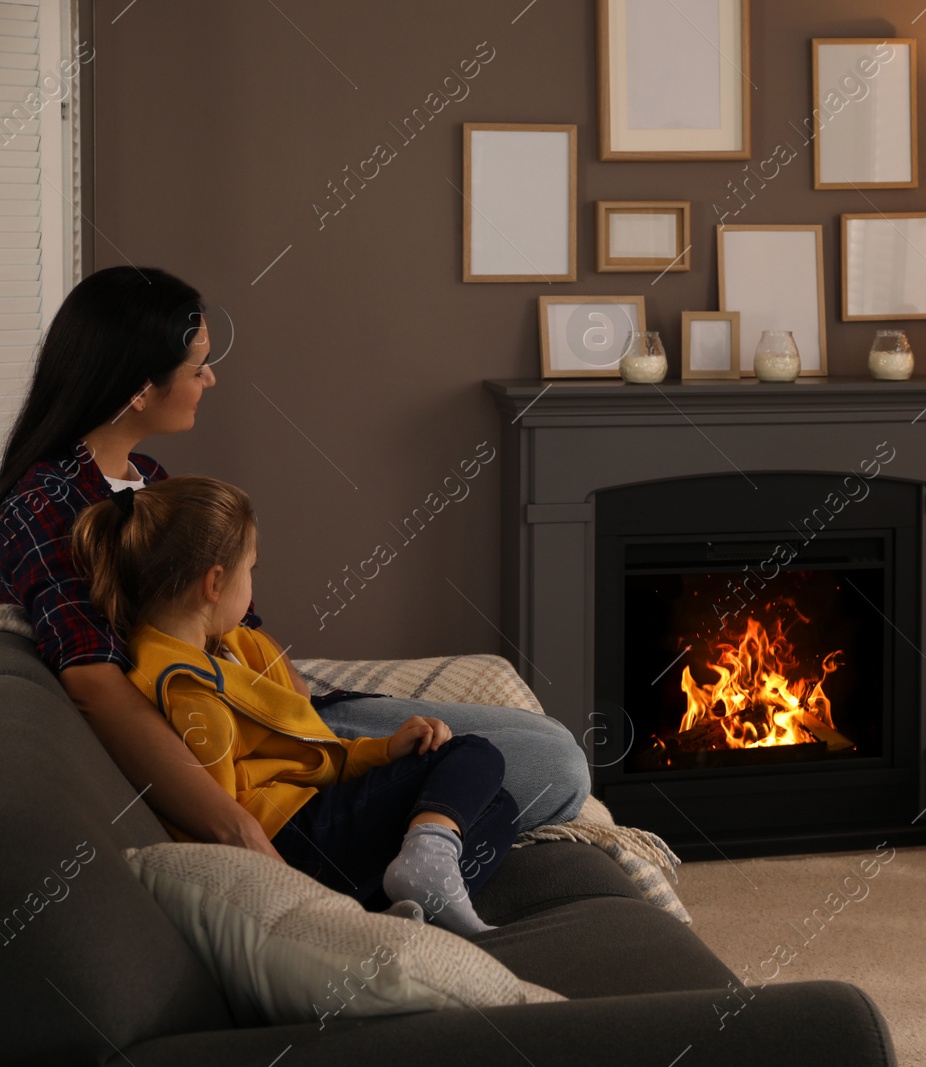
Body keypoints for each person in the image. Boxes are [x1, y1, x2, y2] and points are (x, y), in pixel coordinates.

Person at [0, 265, 589, 865]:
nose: (211, 376)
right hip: (244, 736)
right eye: (196, 365)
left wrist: (296, 694)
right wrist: (238, 830)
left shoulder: (147, 478)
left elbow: (240, 622)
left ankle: (420, 836)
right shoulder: (43, 504)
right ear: (139, 389)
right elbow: (94, 684)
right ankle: (415, 848)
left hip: (276, 705)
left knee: (547, 750)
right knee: (553, 767)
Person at [73, 476, 512, 933]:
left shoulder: (230, 646)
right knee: (474, 752)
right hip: (295, 837)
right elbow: (216, 823)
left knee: (500, 807)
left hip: (313, 821)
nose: (253, 586)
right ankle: (422, 866)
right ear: (215, 582)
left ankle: (404, 907)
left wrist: (385, 751)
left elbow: (307, 748)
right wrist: (287, 892)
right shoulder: (186, 689)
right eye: (251, 570)